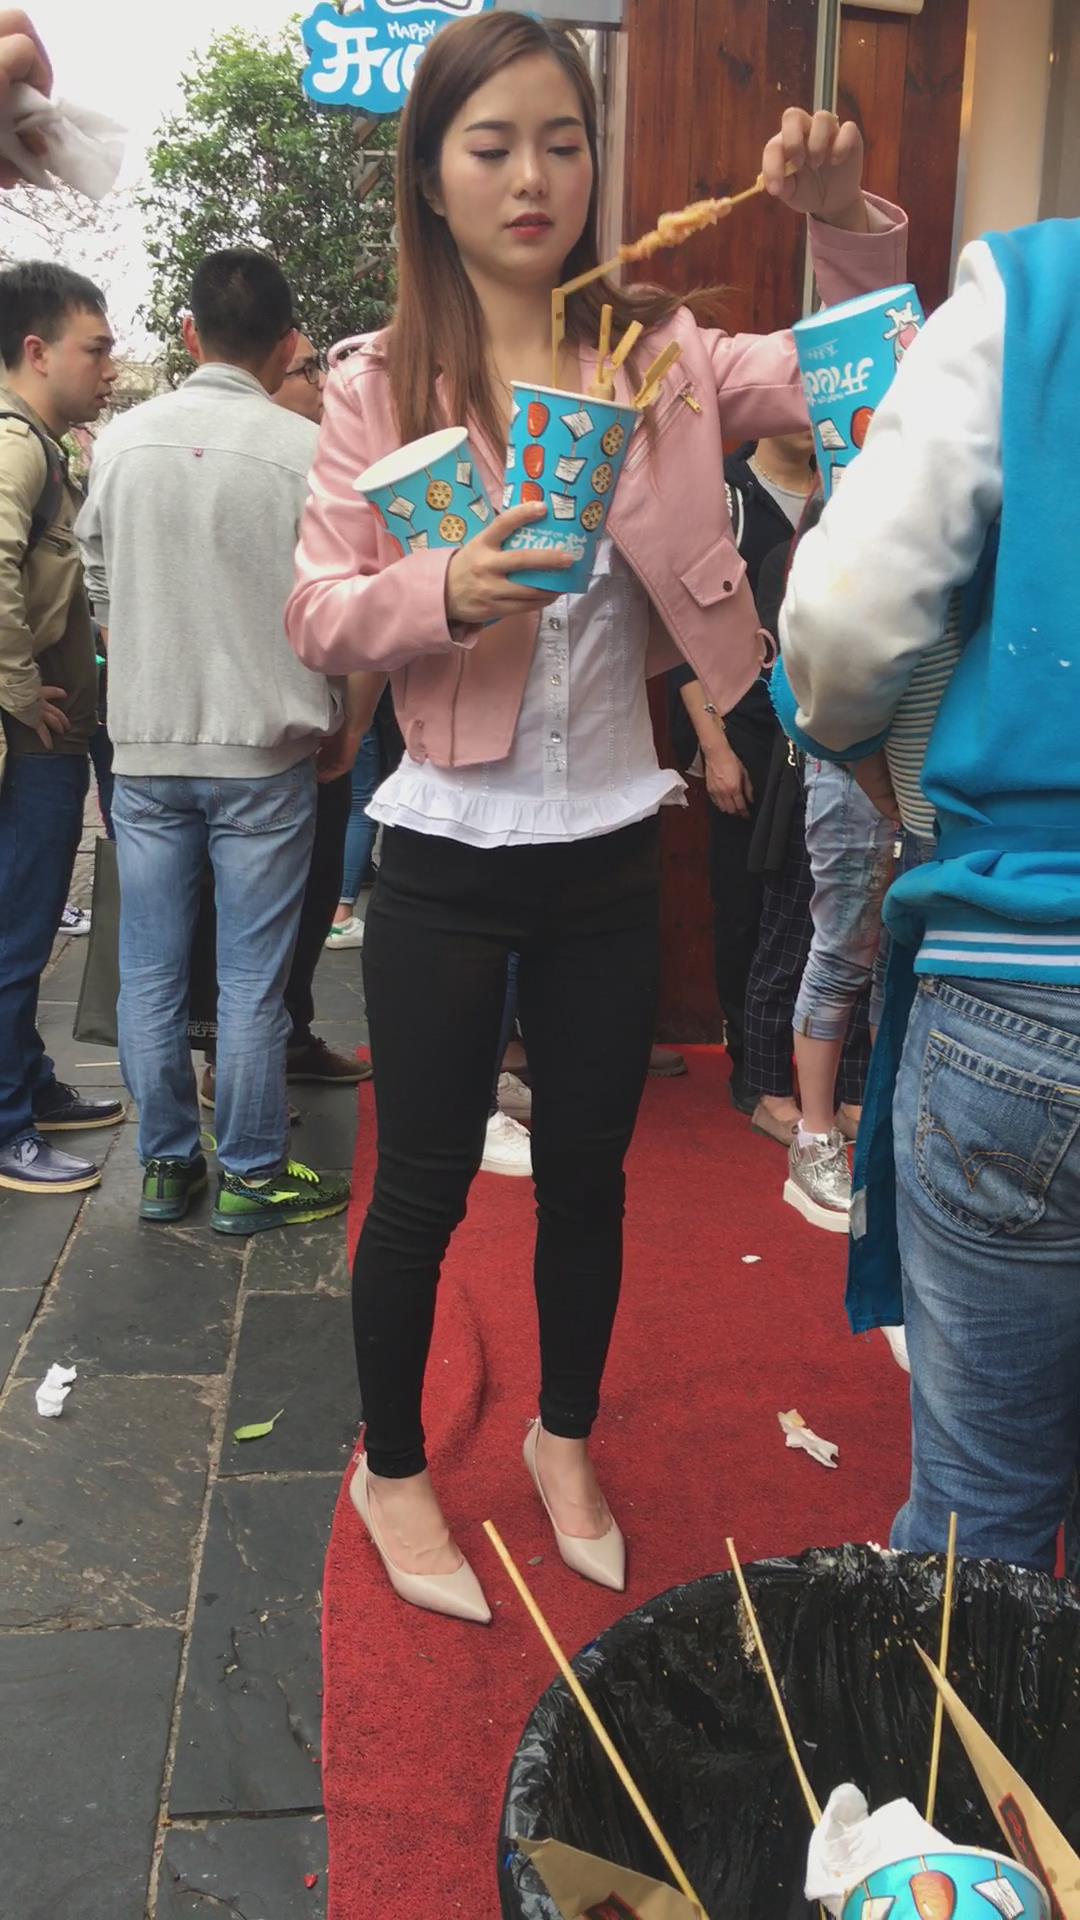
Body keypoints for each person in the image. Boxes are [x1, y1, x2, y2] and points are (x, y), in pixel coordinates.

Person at [287, 9, 907, 1624]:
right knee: (422, 1184)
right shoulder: (378, 385)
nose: (533, 177)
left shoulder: (661, 356)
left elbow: (861, 375)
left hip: (611, 845)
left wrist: (842, 218)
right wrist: (443, 588)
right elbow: (318, 612)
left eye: (562, 143)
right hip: (442, 848)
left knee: (588, 1174)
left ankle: (563, 1436)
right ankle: (393, 1465)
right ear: (430, 174)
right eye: (491, 145)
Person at [780, 216, 1080, 1572]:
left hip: (1032, 969)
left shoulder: (1038, 287)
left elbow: (846, 620)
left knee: (980, 1531)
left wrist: (852, 739)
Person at [77, 249, 351, 1234]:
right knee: (251, 979)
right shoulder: (307, 452)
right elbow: (336, 605)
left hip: (147, 749)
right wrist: (339, 715)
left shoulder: (120, 443)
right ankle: (250, 1175)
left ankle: (164, 1167)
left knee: (150, 972)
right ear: (288, 343)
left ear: (190, 332)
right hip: (264, 749)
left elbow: (99, 588)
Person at [199, 332, 371, 1105]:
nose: (323, 386)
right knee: (250, 917)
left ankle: (287, 1039)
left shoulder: (321, 461)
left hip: (303, 717)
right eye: (308, 370)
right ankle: (234, 1073)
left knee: (310, 892)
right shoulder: (277, 458)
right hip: (267, 727)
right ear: (270, 369)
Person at [0, 261, 124, 1195]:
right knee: (18, 934)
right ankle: (7, 1122)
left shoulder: (42, 444)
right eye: (97, 348)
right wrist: (18, 691)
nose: (110, 368)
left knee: (28, 926)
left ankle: (29, 1084)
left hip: (46, 739)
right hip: (30, 745)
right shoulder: (18, 446)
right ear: (38, 351)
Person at [672, 432, 817, 1115]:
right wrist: (716, 746)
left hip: (834, 730)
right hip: (747, 728)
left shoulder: (846, 482)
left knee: (820, 909)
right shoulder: (724, 495)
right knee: (744, 907)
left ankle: (820, 1068)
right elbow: (682, 634)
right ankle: (754, 1066)